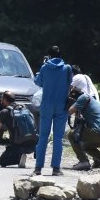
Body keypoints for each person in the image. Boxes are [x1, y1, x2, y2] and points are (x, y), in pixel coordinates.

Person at [32, 45, 73, 176]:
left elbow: (38, 82)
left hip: (47, 105)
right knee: (58, 138)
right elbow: (70, 82)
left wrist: (42, 68)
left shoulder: (45, 67)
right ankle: (56, 168)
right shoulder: (67, 68)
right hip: (62, 106)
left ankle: (38, 167)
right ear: (60, 55)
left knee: (43, 137)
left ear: (49, 55)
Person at [66, 82, 100, 171]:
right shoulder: (91, 100)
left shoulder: (83, 98)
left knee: (71, 135)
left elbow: (68, 112)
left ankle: (83, 162)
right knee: (87, 147)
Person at [0, 91, 37, 168]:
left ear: (5, 100)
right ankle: (22, 155)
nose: (1, 101)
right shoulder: (24, 108)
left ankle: (19, 158)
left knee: (2, 162)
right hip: (32, 144)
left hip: (17, 145)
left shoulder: (5, 112)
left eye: (2, 99)